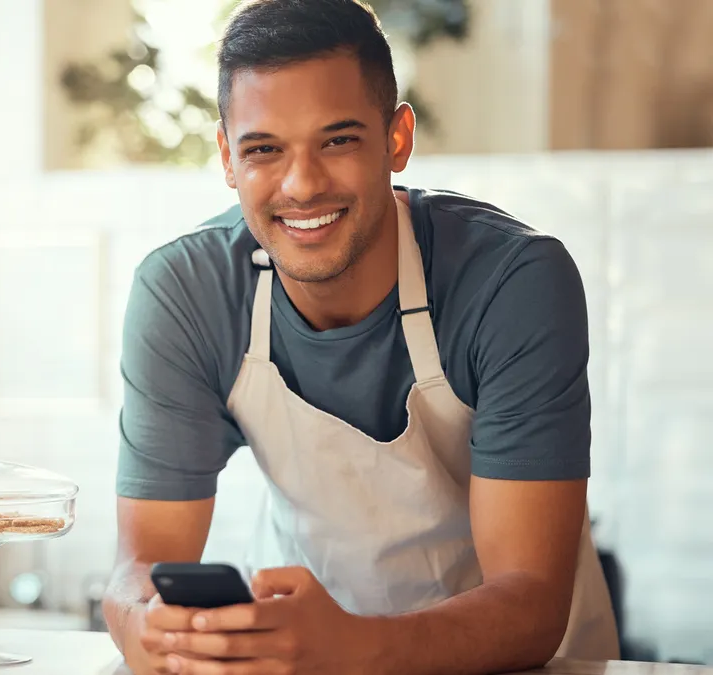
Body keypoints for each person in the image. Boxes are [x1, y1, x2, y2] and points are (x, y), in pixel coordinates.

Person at [103, 1, 621, 673]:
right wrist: (150, 627)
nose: (302, 183)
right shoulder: (184, 293)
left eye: (338, 140)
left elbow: (530, 604)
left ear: (396, 137)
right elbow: (137, 567)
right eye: (264, 150)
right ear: (227, 157)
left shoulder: (513, 282)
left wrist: (351, 647)